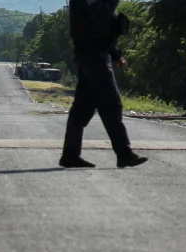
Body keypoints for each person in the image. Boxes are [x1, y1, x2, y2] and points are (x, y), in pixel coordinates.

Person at [60, 0, 146, 168]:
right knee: (111, 104)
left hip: (93, 54)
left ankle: (70, 155)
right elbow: (96, 20)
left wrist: (114, 53)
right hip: (93, 57)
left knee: (82, 108)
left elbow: (98, 29)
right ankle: (124, 154)